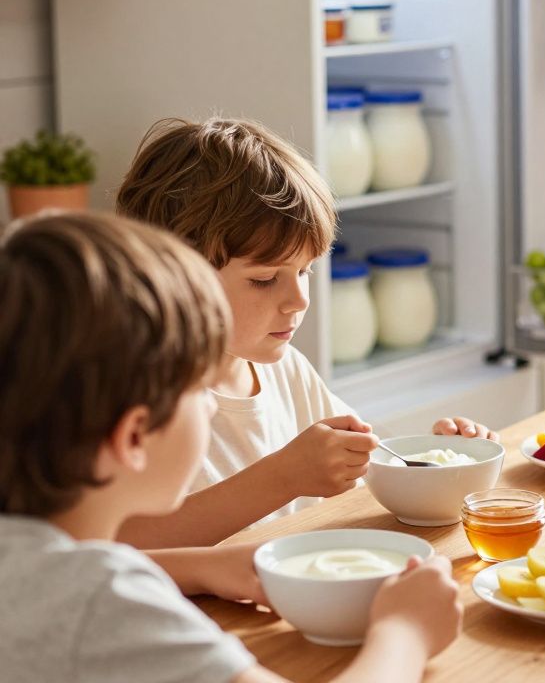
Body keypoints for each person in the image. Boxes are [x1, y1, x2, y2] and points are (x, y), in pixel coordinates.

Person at [0, 212, 462, 683]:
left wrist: (197, 567)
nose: (210, 404)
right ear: (133, 438)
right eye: (200, 387)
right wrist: (405, 632)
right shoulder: (106, 605)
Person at [115, 118, 494, 548]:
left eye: (305, 271)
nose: (299, 300)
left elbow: (366, 461)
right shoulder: (131, 397)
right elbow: (120, 545)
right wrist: (281, 478)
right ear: (172, 274)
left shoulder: (284, 370)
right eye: (264, 279)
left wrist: (435, 461)